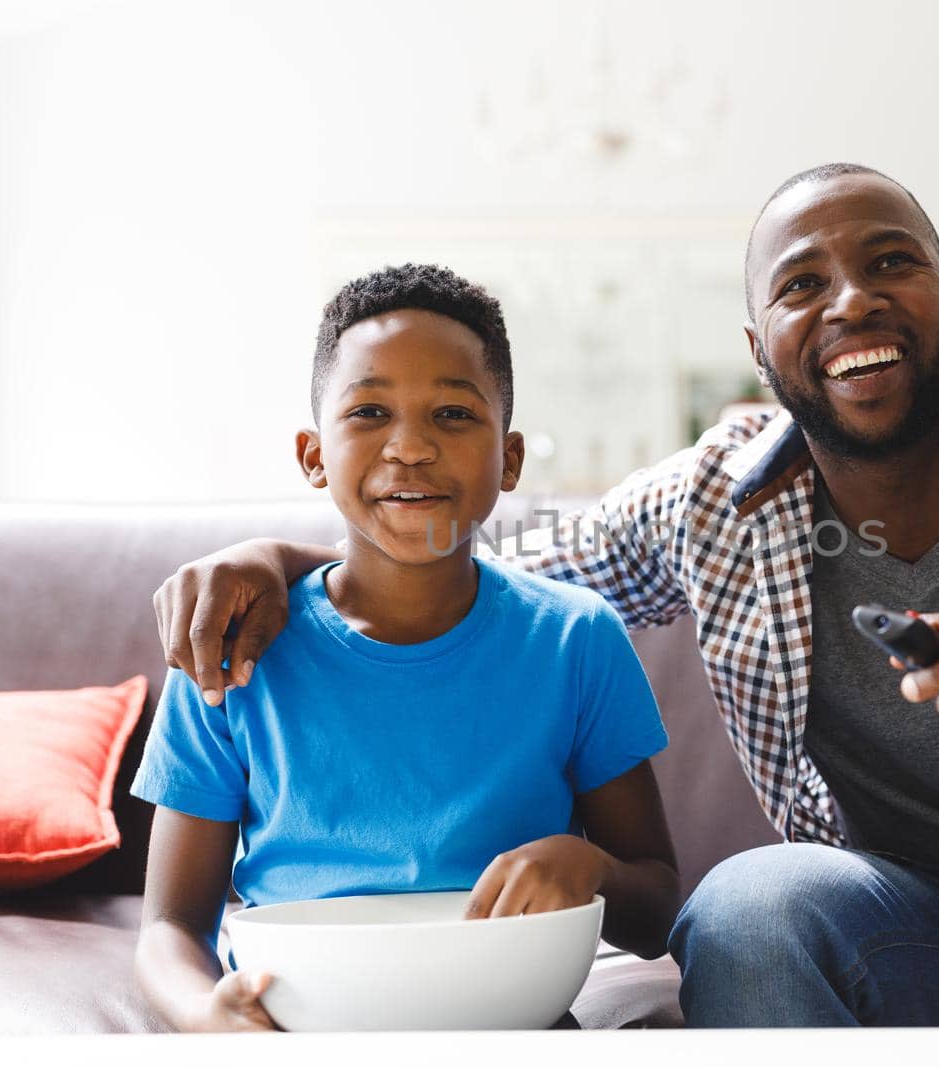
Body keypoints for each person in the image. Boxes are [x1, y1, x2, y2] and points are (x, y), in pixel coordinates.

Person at [151, 166, 939, 1063]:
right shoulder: (718, 496)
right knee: (746, 910)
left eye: (890, 263)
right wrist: (293, 557)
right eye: (803, 283)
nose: (851, 300)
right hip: (905, 915)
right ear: (762, 347)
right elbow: (492, 559)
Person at [132, 263, 678, 1033]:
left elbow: (656, 908)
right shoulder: (230, 645)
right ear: (313, 454)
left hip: (513, 1023)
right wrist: (202, 1013)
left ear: (510, 457)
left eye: (453, 413)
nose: (411, 446)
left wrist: (588, 868)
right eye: (369, 412)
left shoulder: (574, 638)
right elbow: (168, 926)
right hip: (300, 1030)